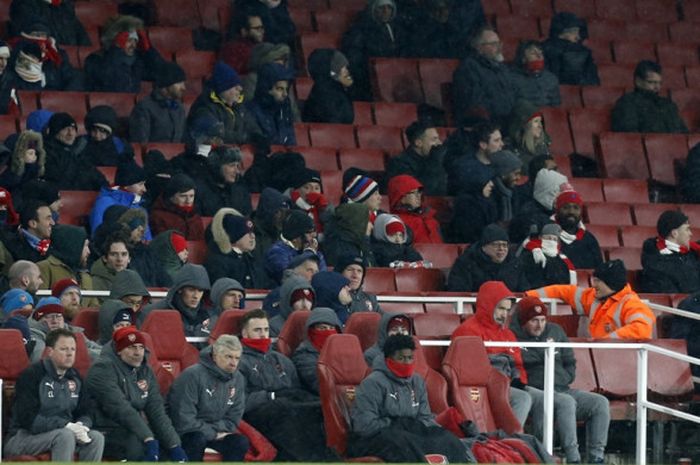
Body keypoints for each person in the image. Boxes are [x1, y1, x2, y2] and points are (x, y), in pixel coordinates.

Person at [510, 297, 609, 464]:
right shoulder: (512, 337)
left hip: (562, 387)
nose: (539, 325)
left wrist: (565, 377)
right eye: (534, 320)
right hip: (535, 392)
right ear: (523, 322)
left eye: (542, 320)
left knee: (600, 403)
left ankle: (596, 458)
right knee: (566, 402)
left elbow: (570, 361)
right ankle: (573, 458)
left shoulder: (555, 331)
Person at [348, 334, 468, 463]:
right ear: (388, 359)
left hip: (410, 432)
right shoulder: (372, 383)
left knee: (446, 438)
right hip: (374, 438)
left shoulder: (417, 382)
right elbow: (364, 425)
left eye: (410, 358)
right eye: (401, 358)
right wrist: (396, 423)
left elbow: (425, 418)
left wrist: (423, 429)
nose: (406, 362)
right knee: (404, 442)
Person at [237, 308, 338, 461]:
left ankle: (328, 458)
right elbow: (239, 401)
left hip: (288, 407)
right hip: (259, 412)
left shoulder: (281, 359)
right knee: (286, 410)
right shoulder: (238, 361)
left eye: (266, 329)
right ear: (245, 333)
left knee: (317, 407)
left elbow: (296, 390)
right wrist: (270, 396)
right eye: (257, 330)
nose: (263, 334)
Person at [86, 326, 188, 461]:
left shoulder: (145, 371)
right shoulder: (102, 369)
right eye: (131, 347)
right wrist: (148, 438)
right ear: (119, 351)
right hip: (103, 428)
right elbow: (121, 408)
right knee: (138, 445)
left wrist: (174, 445)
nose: (138, 353)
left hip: (132, 428)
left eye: (141, 347)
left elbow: (156, 410)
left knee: (167, 448)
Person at [4, 328, 104, 462]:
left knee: (96, 438)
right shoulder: (32, 375)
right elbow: (28, 419)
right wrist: (65, 425)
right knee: (65, 436)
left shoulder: (75, 377)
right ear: (50, 352)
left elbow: (87, 410)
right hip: (23, 437)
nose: (69, 354)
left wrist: (82, 425)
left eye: (73, 349)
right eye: (64, 349)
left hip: (62, 432)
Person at [451, 281, 533, 427]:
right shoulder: (467, 331)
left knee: (549, 399)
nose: (504, 314)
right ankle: (509, 445)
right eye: (501, 308)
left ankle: (537, 446)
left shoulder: (507, 334)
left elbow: (518, 364)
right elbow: (471, 371)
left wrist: (520, 380)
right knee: (523, 398)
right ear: (487, 305)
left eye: (507, 310)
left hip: (509, 384)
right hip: (485, 387)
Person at [168, 335, 249, 462]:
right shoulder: (192, 376)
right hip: (187, 433)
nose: (233, 363)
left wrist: (216, 432)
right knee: (196, 439)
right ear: (215, 355)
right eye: (228, 357)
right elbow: (183, 420)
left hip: (217, 433)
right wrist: (213, 433)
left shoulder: (238, 379)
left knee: (239, 442)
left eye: (237, 358)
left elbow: (233, 418)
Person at [527, 259, 656, 339]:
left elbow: (642, 330)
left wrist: (604, 343)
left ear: (611, 283)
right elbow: (564, 291)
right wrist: (529, 296)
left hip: (618, 361)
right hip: (596, 356)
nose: (594, 285)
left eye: (598, 281)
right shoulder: (594, 296)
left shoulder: (631, 304)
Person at [452, 26, 517, 127]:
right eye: (493, 44)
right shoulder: (468, 69)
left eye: (499, 43)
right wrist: (504, 111)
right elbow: (474, 103)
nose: (499, 47)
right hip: (489, 123)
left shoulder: (503, 68)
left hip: (509, 119)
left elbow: (514, 92)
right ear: (479, 48)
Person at [342, 0, 406, 100]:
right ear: (373, 10)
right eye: (381, 8)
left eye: (389, 8)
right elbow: (355, 59)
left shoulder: (397, 29)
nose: (386, 11)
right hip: (369, 80)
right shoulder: (360, 30)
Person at [84, 15, 165, 93]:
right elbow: (109, 78)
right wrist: (116, 48)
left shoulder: (137, 61)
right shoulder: (95, 59)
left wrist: (148, 49)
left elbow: (162, 72)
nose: (133, 45)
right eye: (129, 40)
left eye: (135, 40)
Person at [187, 61, 262, 145]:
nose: (240, 89)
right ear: (223, 89)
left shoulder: (240, 108)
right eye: (235, 87)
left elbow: (253, 127)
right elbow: (217, 132)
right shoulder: (204, 107)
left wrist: (258, 137)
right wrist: (246, 138)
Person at [447, 224, 530, 292]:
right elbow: (459, 292)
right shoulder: (466, 263)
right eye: (496, 245)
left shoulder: (515, 265)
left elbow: (524, 291)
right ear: (484, 247)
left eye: (505, 245)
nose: (501, 249)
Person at [611, 60, 688, 134]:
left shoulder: (668, 104)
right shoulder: (627, 103)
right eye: (652, 82)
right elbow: (629, 136)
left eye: (659, 83)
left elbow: (683, 132)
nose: (657, 87)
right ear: (638, 81)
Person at [140, 263, 212, 338]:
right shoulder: (152, 313)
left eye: (200, 291)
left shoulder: (207, 316)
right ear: (180, 289)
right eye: (191, 290)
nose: (196, 296)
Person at [42, 112, 108, 191]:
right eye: (65, 129)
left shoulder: (79, 151)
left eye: (73, 129)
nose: (70, 133)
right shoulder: (46, 154)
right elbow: (59, 184)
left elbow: (98, 178)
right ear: (54, 131)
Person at [639, 210, 700, 293]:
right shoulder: (656, 264)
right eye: (687, 229)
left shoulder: (691, 254)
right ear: (674, 233)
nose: (690, 234)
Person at [205, 208, 268, 288]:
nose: (253, 236)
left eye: (252, 232)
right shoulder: (217, 263)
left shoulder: (252, 259)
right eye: (247, 233)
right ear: (234, 236)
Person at [89, 161, 151, 240]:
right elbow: (98, 236)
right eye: (140, 184)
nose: (144, 189)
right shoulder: (104, 203)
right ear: (126, 185)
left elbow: (147, 240)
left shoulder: (138, 206)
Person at [37, 225, 96, 307]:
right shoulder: (44, 268)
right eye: (85, 246)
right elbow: (40, 304)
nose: (89, 251)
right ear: (73, 246)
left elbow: (94, 308)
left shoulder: (86, 277)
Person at [128, 61, 187, 143]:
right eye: (179, 83)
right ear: (166, 83)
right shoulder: (144, 108)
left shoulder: (179, 108)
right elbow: (140, 143)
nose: (183, 88)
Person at [265, 209, 327, 284]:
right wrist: (309, 253)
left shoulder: (315, 254)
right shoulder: (277, 252)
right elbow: (290, 278)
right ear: (295, 238)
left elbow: (323, 280)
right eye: (308, 232)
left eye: (314, 231)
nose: (314, 236)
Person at [29, 298, 101, 362]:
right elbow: (39, 358)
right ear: (39, 320)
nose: (55, 321)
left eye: (58, 316)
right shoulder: (36, 335)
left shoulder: (73, 332)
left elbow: (96, 348)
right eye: (49, 317)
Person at [386, 120, 447, 196]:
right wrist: (435, 162)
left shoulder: (437, 158)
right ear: (418, 143)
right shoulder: (399, 163)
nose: (439, 143)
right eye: (434, 139)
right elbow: (422, 192)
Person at [292, 307, 341, 394]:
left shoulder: (345, 351)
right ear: (311, 331)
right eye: (322, 328)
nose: (328, 332)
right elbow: (319, 384)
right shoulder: (303, 354)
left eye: (331, 328)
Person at [542, 12, 600, 86]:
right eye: (573, 32)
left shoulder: (542, 49)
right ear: (560, 33)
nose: (578, 37)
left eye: (578, 32)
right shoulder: (544, 50)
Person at [448, 120, 504, 196]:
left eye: (501, 139)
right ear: (483, 145)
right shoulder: (465, 168)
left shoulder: (504, 164)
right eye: (496, 141)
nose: (502, 144)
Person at [194, 146, 252, 217]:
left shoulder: (241, 192)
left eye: (237, 166)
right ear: (216, 166)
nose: (237, 171)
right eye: (232, 165)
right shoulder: (198, 191)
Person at [552, 189, 604, 269]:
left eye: (576, 208)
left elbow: (599, 271)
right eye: (566, 207)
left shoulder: (589, 239)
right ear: (557, 210)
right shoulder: (547, 235)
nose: (571, 212)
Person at [247, 62, 296, 145]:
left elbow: (290, 141)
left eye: (286, 89)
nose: (285, 94)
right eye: (280, 89)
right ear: (266, 89)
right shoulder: (251, 112)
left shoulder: (284, 109)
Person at [302, 48, 354, 124]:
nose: (346, 71)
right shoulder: (323, 93)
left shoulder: (338, 90)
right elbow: (338, 121)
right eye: (339, 66)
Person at [518, 223, 576, 289]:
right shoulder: (531, 254)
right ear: (540, 238)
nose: (551, 241)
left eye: (554, 239)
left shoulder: (561, 259)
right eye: (548, 238)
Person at [387, 174, 443, 243]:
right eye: (413, 193)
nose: (418, 196)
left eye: (419, 192)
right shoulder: (396, 223)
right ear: (401, 198)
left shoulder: (431, 220)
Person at [9, 0, 91, 46]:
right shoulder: (22, 5)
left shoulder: (65, 7)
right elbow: (41, 40)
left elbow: (84, 42)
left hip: (68, 68)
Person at [149, 173, 205, 240]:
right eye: (183, 196)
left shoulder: (195, 216)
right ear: (171, 197)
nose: (188, 201)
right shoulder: (158, 217)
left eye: (191, 196)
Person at [509, 41, 561, 108]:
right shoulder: (512, 78)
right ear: (523, 59)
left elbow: (556, 105)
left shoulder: (550, 78)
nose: (539, 56)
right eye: (533, 53)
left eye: (541, 53)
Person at [323, 203, 375, 267]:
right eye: (365, 221)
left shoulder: (353, 241)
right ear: (355, 221)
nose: (371, 226)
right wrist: (366, 239)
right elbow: (367, 267)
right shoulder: (341, 246)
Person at [506, 101, 551, 167]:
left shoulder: (543, 147)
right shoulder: (511, 151)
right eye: (536, 121)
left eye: (540, 121)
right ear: (524, 126)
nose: (540, 125)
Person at [250, 187, 290, 263]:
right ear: (268, 211)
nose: (282, 217)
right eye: (278, 212)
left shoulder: (283, 236)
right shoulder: (249, 234)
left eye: (285, 213)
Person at [0, 129, 45, 194]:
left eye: (35, 153)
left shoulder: (32, 165)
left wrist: (29, 165)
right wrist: (24, 164)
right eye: (30, 153)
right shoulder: (4, 166)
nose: (34, 157)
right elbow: (11, 183)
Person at [288, 167, 330, 235]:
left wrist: (324, 209)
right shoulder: (290, 207)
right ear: (297, 190)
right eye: (307, 188)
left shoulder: (324, 206)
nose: (313, 192)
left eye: (316, 188)